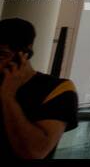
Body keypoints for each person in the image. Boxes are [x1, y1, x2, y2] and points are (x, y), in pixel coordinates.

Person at [0, 18, 79, 159]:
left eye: (2, 55)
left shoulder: (57, 90)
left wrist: (8, 97)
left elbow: (35, 151)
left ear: (24, 54)